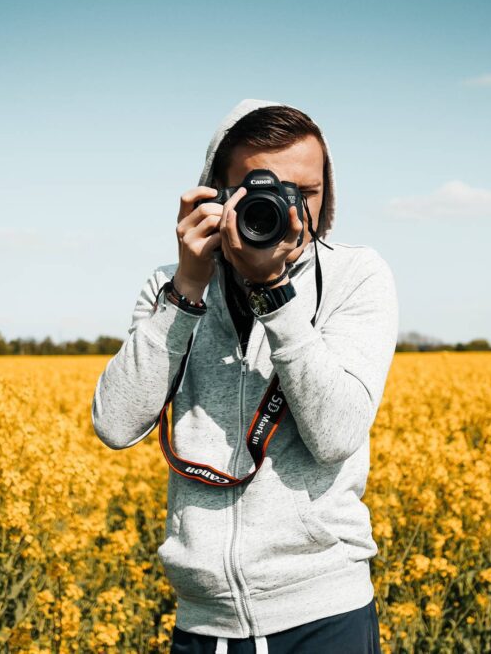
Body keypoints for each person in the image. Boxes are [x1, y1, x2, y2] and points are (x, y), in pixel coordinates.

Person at [91, 98, 398, 653]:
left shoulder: (357, 275)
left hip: (325, 612)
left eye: (305, 193)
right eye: (261, 189)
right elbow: (115, 424)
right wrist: (187, 288)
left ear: (327, 196)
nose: (287, 210)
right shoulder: (172, 284)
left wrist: (275, 298)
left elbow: (335, 436)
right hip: (205, 623)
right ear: (214, 192)